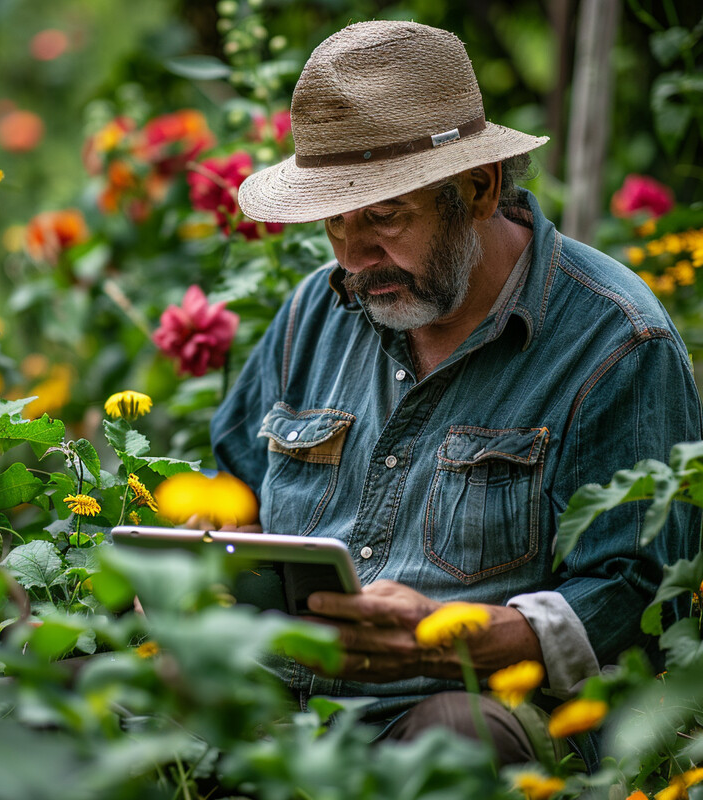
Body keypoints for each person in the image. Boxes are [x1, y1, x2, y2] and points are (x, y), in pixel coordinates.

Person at [209, 20, 703, 767]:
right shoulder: (316, 309)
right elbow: (231, 489)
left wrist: (459, 638)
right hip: (281, 703)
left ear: (477, 188)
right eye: (334, 223)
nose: (356, 256)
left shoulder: (616, 342)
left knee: (453, 744)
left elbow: (636, 590)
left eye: (383, 217)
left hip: (480, 707)